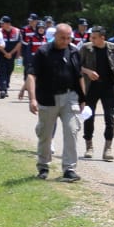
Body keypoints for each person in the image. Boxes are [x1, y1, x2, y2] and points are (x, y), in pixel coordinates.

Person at [26, 23, 84, 183]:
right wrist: (32, 98)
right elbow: (31, 75)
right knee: (45, 134)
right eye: (62, 38)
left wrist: (82, 98)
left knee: (72, 130)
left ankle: (69, 169)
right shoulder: (43, 52)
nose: (65, 41)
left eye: (68, 38)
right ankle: (43, 166)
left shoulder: (73, 51)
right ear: (55, 36)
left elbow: (79, 75)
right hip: (47, 98)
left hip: (69, 97)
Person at [78, 25, 114, 162]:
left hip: (109, 87)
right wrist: (88, 72)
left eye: (94, 37)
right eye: (90, 37)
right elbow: (76, 65)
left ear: (102, 38)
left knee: (109, 118)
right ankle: (89, 146)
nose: (91, 39)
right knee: (89, 116)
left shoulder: (113, 48)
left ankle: (108, 148)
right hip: (90, 87)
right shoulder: (86, 48)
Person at [0, 16, 23, 98]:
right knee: (2, 70)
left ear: (8, 24)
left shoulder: (17, 31)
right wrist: (5, 53)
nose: (1, 25)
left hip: (12, 54)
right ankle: (2, 89)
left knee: (9, 70)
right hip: (1, 53)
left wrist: (11, 53)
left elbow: (19, 44)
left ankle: (6, 86)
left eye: (3, 23)